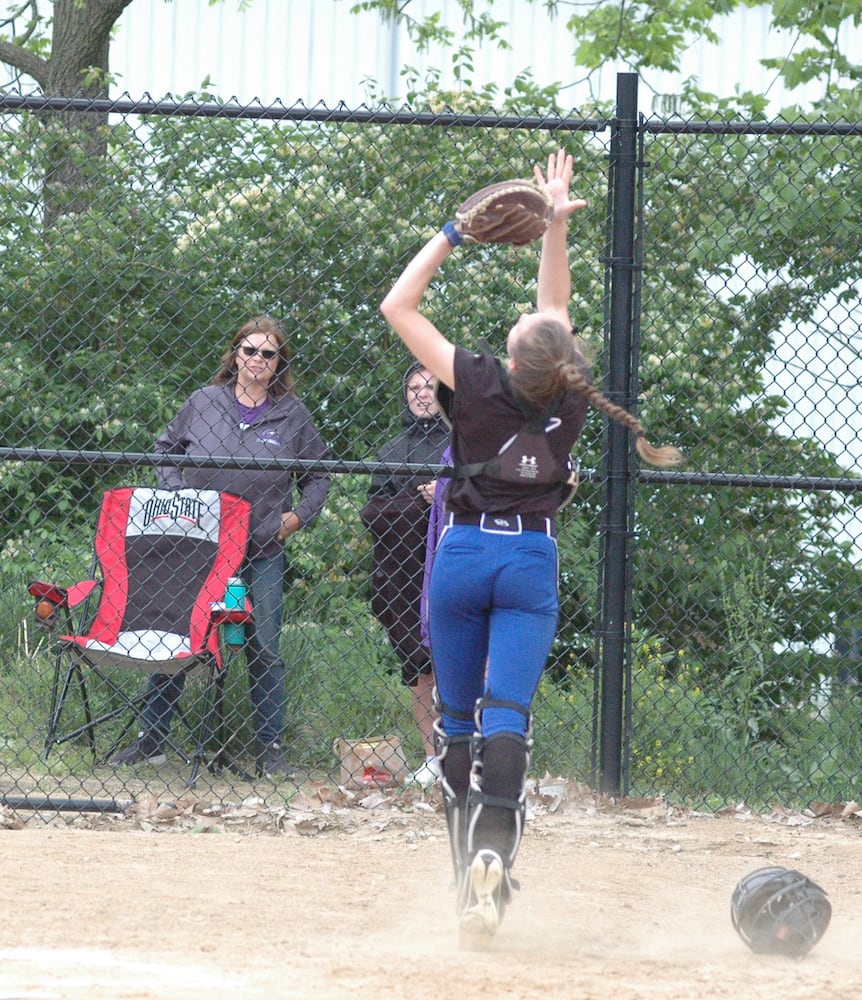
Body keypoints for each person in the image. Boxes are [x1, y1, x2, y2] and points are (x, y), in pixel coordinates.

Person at [379, 149, 682, 942]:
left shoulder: (476, 381)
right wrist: (552, 222)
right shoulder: (571, 394)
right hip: (530, 561)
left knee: (456, 718)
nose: (532, 316)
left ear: (515, 357)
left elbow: (399, 306)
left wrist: (451, 231)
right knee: (507, 713)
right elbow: (554, 308)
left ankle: (463, 873)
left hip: (465, 556)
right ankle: (495, 861)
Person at [110, 315, 331, 779]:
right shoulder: (203, 402)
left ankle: (270, 749)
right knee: (181, 635)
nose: (256, 360)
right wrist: (179, 497)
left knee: (264, 646)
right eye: (248, 351)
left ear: (279, 362)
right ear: (234, 356)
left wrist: (291, 521)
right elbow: (165, 450)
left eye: (267, 354)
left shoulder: (293, 414)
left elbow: (319, 476)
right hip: (200, 547)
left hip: (261, 550)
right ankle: (152, 740)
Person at [360, 362, 449, 787]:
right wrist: (421, 504)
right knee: (419, 666)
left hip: (451, 567)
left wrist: (444, 496)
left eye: (430, 386)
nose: (421, 394)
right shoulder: (392, 450)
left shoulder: (465, 444)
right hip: (402, 574)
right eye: (413, 387)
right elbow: (372, 514)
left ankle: (468, 755)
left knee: (459, 663)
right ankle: (432, 757)